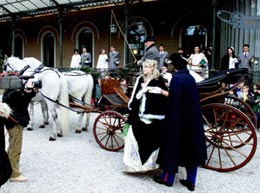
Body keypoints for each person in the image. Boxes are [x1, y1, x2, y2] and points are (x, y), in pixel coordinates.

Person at [154, 55, 207, 191]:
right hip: (192, 120)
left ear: (175, 66)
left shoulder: (177, 79)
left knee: (172, 148)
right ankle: (191, 181)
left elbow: (174, 102)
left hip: (178, 120)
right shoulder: (190, 78)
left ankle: (168, 179)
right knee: (190, 150)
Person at [123, 59, 168, 173]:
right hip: (138, 114)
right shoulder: (139, 79)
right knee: (132, 136)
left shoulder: (158, 80)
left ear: (152, 68)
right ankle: (133, 165)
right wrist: (132, 105)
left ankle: (149, 164)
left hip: (153, 116)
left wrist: (153, 91)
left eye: (147, 67)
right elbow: (134, 95)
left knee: (151, 140)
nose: (144, 69)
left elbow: (164, 97)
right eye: (143, 67)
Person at [2, 80, 39, 182]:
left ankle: (8, 169)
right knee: (15, 149)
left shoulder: (10, 93)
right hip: (15, 123)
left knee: (12, 146)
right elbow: (22, 102)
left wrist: (31, 92)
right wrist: (29, 91)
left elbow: (24, 99)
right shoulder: (15, 95)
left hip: (13, 122)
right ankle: (14, 174)